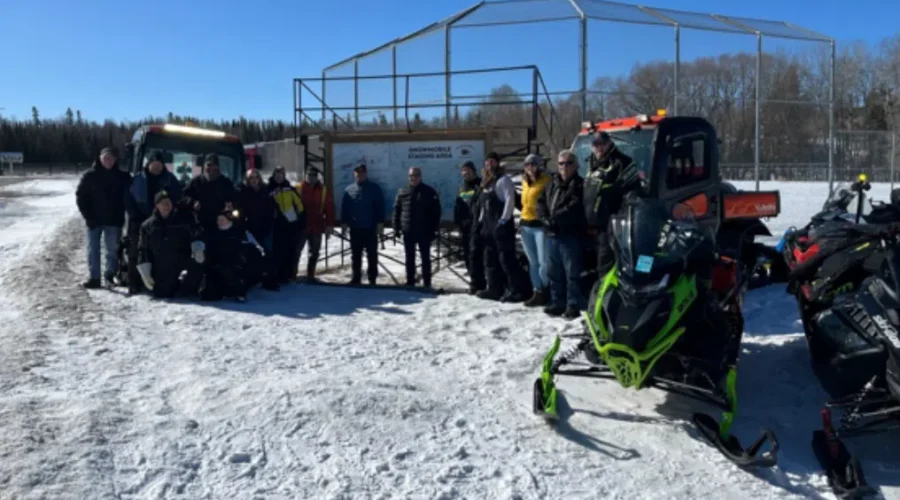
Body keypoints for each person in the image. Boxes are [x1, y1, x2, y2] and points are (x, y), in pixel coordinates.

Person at [124, 150, 183, 294]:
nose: (156, 167)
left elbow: (178, 197)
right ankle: (134, 282)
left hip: (162, 222)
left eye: (159, 165)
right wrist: (135, 216)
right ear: (148, 164)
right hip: (139, 219)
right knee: (136, 251)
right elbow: (128, 199)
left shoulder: (170, 179)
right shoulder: (137, 179)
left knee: (161, 253)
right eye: (154, 164)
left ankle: (160, 280)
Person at [537, 150, 587, 319]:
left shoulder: (580, 185)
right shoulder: (552, 183)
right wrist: (543, 217)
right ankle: (557, 302)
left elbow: (575, 206)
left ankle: (572, 305)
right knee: (554, 271)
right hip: (551, 235)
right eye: (561, 164)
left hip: (570, 235)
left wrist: (554, 218)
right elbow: (541, 201)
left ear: (576, 165)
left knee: (572, 272)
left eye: (568, 163)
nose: (564, 167)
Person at [475, 152, 530, 302]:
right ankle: (494, 288)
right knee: (490, 259)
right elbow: (483, 206)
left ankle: (517, 290)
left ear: (497, 163)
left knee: (506, 259)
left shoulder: (503, 180)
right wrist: (481, 221)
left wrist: (504, 220)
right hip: (487, 227)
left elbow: (509, 201)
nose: (489, 164)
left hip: (501, 227)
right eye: (487, 161)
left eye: (492, 161)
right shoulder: (486, 182)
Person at [75, 146, 132, 289]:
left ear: (115, 160)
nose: (108, 160)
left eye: (111, 158)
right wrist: (88, 216)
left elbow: (130, 196)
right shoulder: (90, 176)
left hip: (113, 221)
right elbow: (80, 196)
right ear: (100, 158)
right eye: (105, 157)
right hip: (94, 221)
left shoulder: (123, 177)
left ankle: (109, 275)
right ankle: (94, 278)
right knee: (92, 249)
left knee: (112, 250)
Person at [135, 191, 205, 299]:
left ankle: (188, 288)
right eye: (162, 203)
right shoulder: (147, 226)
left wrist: (198, 248)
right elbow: (142, 249)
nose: (166, 205)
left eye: (168, 202)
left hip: (181, 259)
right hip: (161, 264)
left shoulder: (184, 220)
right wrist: (145, 271)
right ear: (156, 205)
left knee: (198, 263)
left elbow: (197, 235)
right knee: (163, 293)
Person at [583, 133, 634, 275]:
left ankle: (606, 294)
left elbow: (631, 192)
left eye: (602, 144)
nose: (598, 148)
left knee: (605, 264)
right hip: (589, 223)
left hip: (610, 224)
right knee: (588, 262)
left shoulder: (621, 162)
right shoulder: (590, 163)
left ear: (609, 143)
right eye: (595, 144)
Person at [393, 166, 442, 288]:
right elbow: (396, 210)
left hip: (424, 231)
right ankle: (410, 281)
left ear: (420, 176)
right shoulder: (402, 191)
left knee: (425, 258)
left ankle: (427, 283)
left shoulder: (429, 191)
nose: (413, 178)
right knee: (410, 258)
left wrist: (433, 229)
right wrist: (396, 228)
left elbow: (436, 212)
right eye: (411, 175)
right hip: (408, 230)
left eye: (415, 175)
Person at [341, 163, 385, 286]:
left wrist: (380, 223)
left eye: (362, 173)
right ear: (354, 174)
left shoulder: (374, 188)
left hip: (370, 228)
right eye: (358, 174)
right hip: (355, 228)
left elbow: (380, 206)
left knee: (372, 255)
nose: (360, 176)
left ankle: (372, 279)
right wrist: (344, 222)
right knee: (355, 256)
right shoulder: (349, 189)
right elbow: (345, 208)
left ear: (366, 174)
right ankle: (356, 278)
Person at [518, 153, 552, 307]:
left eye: (533, 164)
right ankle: (537, 291)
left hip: (540, 225)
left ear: (539, 166)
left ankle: (547, 290)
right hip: (525, 224)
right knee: (532, 262)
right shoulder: (525, 182)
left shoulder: (546, 180)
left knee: (543, 261)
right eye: (527, 165)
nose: (530, 168)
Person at [201, 209, 252, 302]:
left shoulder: (237, 232)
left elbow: (244, 249)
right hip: (216, 265)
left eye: (222, 219)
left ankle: (239, 293)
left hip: (234, 266)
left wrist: (239, 261)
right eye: (218, 219)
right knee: (210, 294)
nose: (220, 221)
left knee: (232, 275)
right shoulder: (213, 233)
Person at [296, 166, 335, 282]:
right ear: (305, 175)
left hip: (317, 226)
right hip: (301, 226)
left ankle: (310, 275)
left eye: (313, 175)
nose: (311, 177)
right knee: (296, 251)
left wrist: (329, 225)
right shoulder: (298, 188)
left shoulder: (323, 190)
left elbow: (329, 209)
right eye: (309, 175)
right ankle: (292, 274)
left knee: (314, 253)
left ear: (317, 177)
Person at [268, 165, 305, 283]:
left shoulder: (289, 188)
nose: (279, 178)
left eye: (281, 175)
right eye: (276, 175)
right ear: (273, 176)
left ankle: (288, 274)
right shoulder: (269, 189)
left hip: (290, 224)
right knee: (277, 251)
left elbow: (299, 205)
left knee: (290, 250)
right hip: (276, 225)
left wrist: (300, 218)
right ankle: (277, 274)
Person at [182, 153, 237, 231]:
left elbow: (234, 199)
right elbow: (182, 196)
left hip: (220, 224)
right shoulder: (196, 181)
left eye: (214, 165)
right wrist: (192, 202)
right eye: (208, 165)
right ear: (204, 166)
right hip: (200, 224)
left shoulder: (225, 182)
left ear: (218, 167)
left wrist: (231, 206)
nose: (211, 168)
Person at [453, 160, 484, 294]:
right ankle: (474, 282)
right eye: (463, 171)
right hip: (465, 228)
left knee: (477, 256)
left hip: (478, 226)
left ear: (473, 171)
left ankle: (481, 284)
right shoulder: (462, 187)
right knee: (468, 256)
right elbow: (458, 206)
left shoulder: (480, 184)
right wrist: (458, 222)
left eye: (468, 170)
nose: (466, 173)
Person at [237, 168, 276, 255]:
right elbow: (240, 209)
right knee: (251, 253)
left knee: (266, 253)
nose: (254, 180)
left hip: (265, 227)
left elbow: (271, 208)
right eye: (251, 178)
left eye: (256, 177)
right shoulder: (242, 191)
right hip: (249, 228)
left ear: (259, 178)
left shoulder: (266, 190)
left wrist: (269, 224)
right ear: (247, 179)